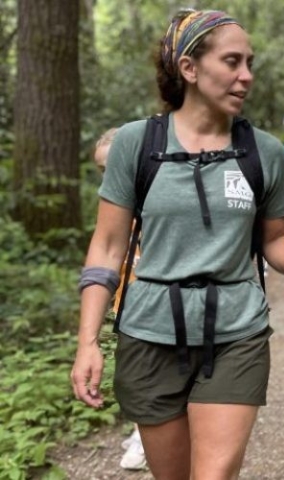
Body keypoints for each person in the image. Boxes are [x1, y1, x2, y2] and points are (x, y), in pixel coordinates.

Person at [71, 10, 284, 479]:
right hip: (148, 331)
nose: (246, 75)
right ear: (189, 68)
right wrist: (88, 342)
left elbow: (276, 236)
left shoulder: (263, 151)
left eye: (249, 62)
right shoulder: (135, 144)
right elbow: (106, 248)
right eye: (232, 61)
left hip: (235, 331)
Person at [93, 128, 147, 471]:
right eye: (102, 170)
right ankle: (141, 427)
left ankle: (145, 436)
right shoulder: (114, 207)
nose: (107, 177)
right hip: (126, 303)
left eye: (113, 167)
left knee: (146, 375)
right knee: (129, 372)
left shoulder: (151, 198)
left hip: (154, 304)